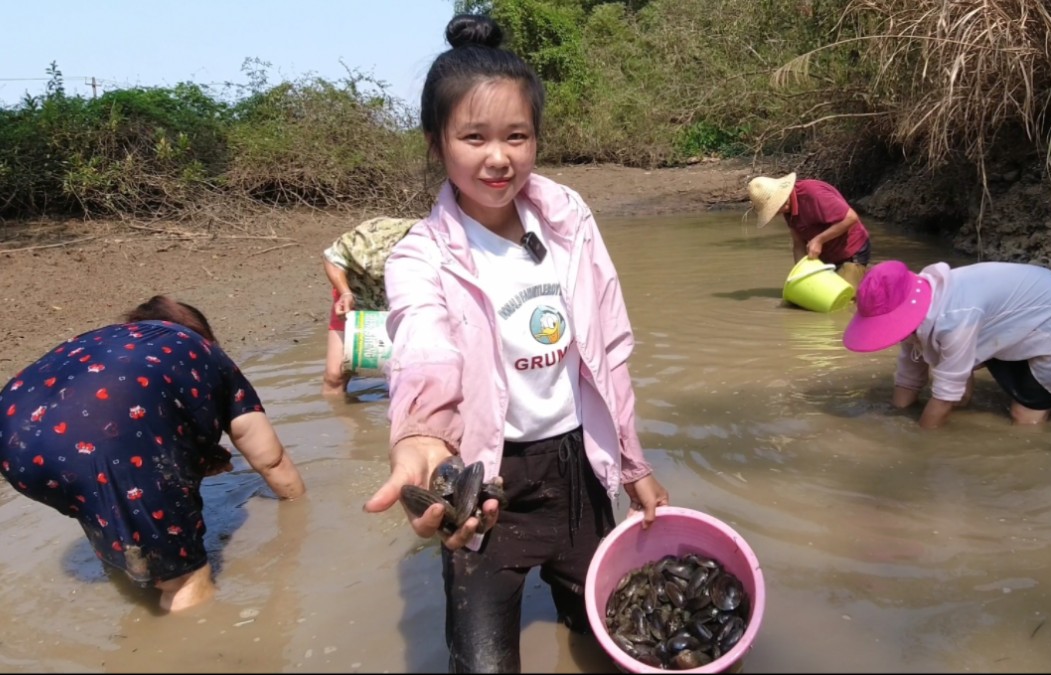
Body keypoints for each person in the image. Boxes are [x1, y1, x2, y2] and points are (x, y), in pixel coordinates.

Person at [361, 14, 670, 673]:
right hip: (488, 484)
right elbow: (422, 344)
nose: (498, 157)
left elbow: (609, 349)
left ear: (536, 139)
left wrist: (636, 466)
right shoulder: (419, 258)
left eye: (516, 136)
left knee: (610, 639)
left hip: (579, 474)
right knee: (481, 662)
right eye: (473, 137)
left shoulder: (568, 219)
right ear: (436, 141)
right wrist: (420, 432)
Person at [0, 295, 306, 612]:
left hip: (13, 437)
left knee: (104, 495)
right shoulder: (203, 351)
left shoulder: (108, 341)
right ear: (204, 334)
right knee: (187, 580)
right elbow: (272, 459)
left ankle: (140, 566)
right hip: (104, 436)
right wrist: (300, 512)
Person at [842, 259, 1051, 429]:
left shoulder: (956, 318)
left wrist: (918, 446)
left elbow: (946, 393)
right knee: (950, 364)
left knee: (1023, 418)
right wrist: (896, 414)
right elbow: (910, 367)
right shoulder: (919, 301)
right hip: (1019, 321)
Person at [321, 216, 418, 396]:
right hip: (356, 297)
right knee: (335, 375)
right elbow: (332, 257)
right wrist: (345, 292)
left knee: (414, 375)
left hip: (409, 306)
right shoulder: (376, 239)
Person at [747, 172, 872, 288]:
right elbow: (798, 243)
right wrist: (800, 273)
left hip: (851, 249)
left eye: (776, 207)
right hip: (827, 256)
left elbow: (851, 218)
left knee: (846, 299)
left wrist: (819, 240)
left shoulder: (814, 194)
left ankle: (871, 279)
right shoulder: (787, 209)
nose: (777, 213)